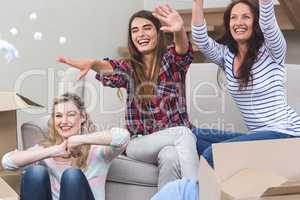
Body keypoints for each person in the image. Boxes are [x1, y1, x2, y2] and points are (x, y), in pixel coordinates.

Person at [151, 0, 300, 199]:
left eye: (246, 17)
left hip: (286, 134)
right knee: (193, 136)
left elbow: (269, 25)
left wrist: (264, 3)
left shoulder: (272, 51)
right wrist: (197, 4)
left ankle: (194, 193)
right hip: (259, 135)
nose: (239, 22)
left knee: (213, 154)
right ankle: (227, 180)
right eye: (233, 17)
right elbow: (202, 40)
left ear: (255, 22)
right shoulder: (227, 56)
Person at [57, 5, 199, 189]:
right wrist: (93, 63)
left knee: (171, 156)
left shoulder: (171, 62)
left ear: (158, 32)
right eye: (135, 30)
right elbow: (109, 67)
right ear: (131, 38)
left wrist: (179, 30)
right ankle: (197, 192)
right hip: (139, 143)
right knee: (184, 133)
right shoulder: (129, 68)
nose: (141, 34)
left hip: (170, 143)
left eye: (147, 28)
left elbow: (182, 50)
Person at [1, 93, 130, 200]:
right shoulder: (47, 151)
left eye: (71, 114)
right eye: (58, 116)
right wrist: (54, 150)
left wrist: (80, 139)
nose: (64, 121)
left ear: (83, 117)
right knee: (35, 172)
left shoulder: (98, 150)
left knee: (72, 175)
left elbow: (123, 137)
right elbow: (7, 162)